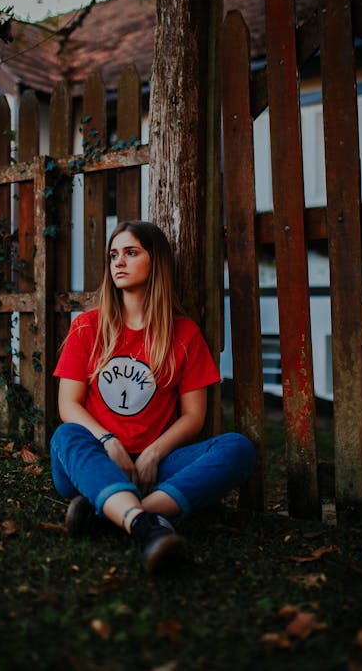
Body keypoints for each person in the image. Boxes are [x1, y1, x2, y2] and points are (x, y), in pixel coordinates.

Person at [50, 220, 255, 573]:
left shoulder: (184, 334)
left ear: (155, 262)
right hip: (95, 462)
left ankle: (116, 515)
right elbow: (68, 405)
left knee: (238, 448)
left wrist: (153, 454)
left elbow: (194, 417)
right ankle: (146, 525)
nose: (119, 262)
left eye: (131, 253)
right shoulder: (87, 326)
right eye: (114, 255)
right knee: (65, 435)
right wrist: (108, 441)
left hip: (154, 470)